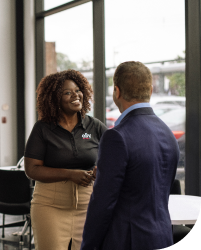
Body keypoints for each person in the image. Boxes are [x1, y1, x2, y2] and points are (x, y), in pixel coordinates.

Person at [80, 61, 179, 250]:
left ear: (117, 91)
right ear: (150, 91)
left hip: (126, 240)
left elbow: (102, 203)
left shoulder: (117, 136)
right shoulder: (168, 133)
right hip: (162, 236)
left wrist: (88, 245)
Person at [24, 70, 108, 250]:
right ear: (54, 99)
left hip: (88, 204)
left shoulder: (95, 127)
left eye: (78, 90)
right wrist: (70, 174)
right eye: (67, 92)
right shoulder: (42, 129)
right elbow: (32, 169)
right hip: (49, 204)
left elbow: (113, 159)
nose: (75, 95)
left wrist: (98, 170)